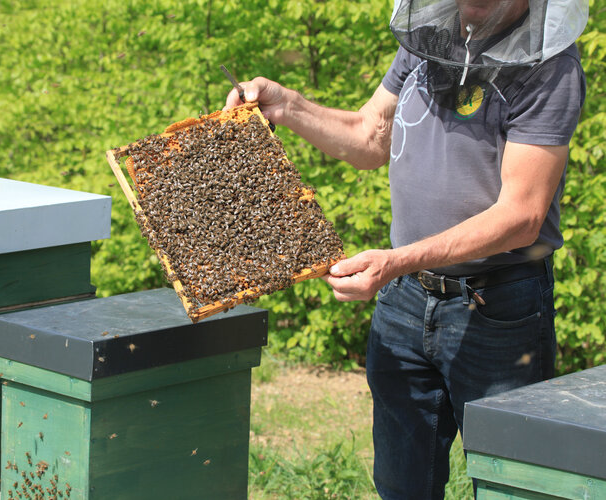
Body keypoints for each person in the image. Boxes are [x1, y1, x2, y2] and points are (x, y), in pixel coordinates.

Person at [224, 0, 588, 498]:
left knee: (513, 481)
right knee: (401, 485)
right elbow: (371, 134)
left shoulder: (552, 67)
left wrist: (396, 260)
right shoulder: (429, 39)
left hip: (497, 309)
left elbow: (522, 216)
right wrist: (288, 106)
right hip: (404, 301)